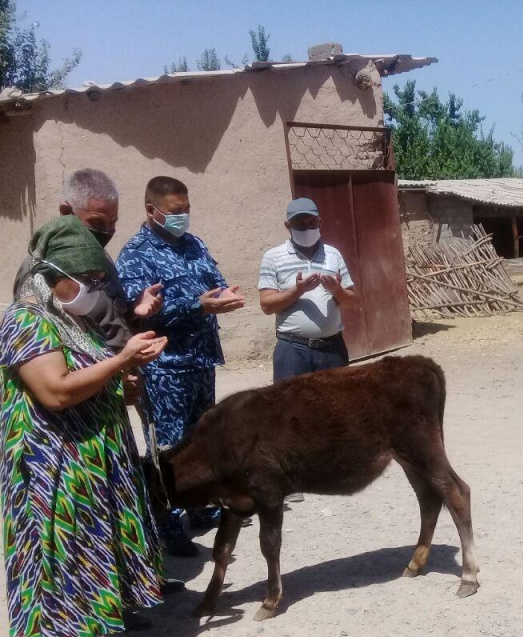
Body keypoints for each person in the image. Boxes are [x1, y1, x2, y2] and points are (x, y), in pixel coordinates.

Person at [1, 216, 167, 637]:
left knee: (87, 569)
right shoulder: (26, 321)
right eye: (88, 281)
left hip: (92, 470)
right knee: (76, 574)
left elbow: (85, 380)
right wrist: (120, 361)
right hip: (59, 475)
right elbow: (54, 391)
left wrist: (123, 385)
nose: (97, 289)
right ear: (54, 277)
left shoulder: (68, 321)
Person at [116, 176, 245, 556]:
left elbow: (214, 282)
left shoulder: (194, 244)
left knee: (201, 440)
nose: (183, 217)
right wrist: (197, 306)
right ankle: (167, 523)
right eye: (175, 212)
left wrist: (224, 295)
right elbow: (133, 316)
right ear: (151, 211)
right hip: (164, 368)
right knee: (167, 446)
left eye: (186, 209)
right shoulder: (135, 255)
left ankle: (200, 507)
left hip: (201, 360)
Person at [12, 168, 164, 345]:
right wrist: (115, 366)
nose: (106, 231)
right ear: (66, 212)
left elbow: (105, 320)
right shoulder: (42, 270)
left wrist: (133, 310)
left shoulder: (100, 257)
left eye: (112, 223)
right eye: (97, 222)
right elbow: (37, 345)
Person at [258, 197, 356, 382]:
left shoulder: (333, 254)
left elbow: (351, 301)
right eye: (299, 224)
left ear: (320, 223)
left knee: (336, 407)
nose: (306, 228)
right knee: (291, 408)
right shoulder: (273, 257)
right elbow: (267, 306)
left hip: (332, 350)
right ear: (288, 226)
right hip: (293, 351)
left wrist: (337, 290)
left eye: (311, 223)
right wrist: (298, 291)